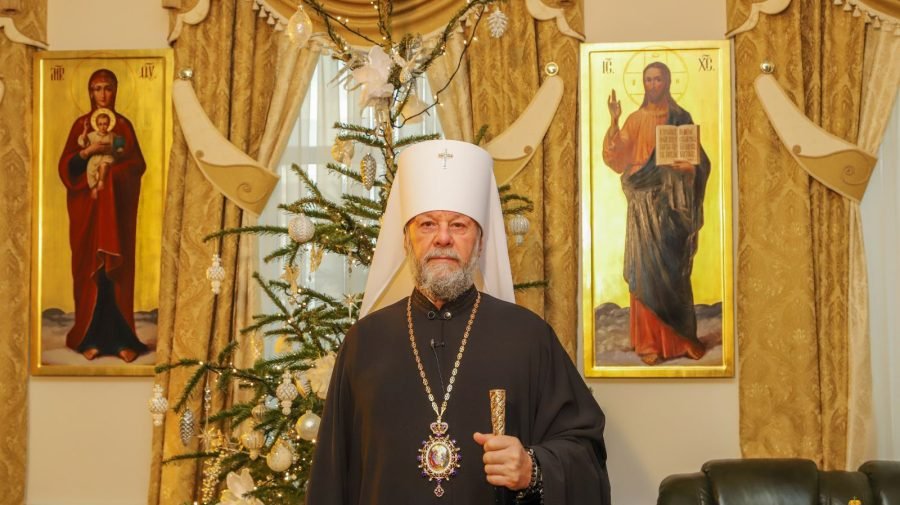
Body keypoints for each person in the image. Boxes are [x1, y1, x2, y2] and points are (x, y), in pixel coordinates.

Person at [306, 140, 611, 504]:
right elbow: (330, 479)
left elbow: (587, 455)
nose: (443, 238)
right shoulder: (365, 343)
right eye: (427, 224)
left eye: (459, 225)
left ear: (480, 242)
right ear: (406, 241)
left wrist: (533, 468)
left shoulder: (529, 338)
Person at [602, 61, 710, 365]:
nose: (653, 85)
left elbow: (700, 162)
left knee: (675, 271)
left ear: (668, 82)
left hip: (672, 204)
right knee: (645, 269)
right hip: (641, 202)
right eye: (648, 80)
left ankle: (682, 340)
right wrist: (614, 120)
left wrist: (690, 168)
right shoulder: (635, 119)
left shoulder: (681, 118)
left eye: (658, 79)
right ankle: (649, 343)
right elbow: (616, 157)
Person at [57, 68, 148, 363]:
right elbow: (66, 167)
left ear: (116, 90)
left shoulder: (122, 127)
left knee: (114, 272)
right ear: (90, 92)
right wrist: (88, 153)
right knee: (90, 270)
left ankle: (122, 341)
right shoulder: (82, 127)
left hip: (115, 210)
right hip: (88, 209)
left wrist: (111, 173)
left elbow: (135, 164)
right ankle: (89, 339)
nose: (102, 94)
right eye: (97, 88)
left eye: (107, 88)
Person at [77, 110, 121, 199]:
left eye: (105, 124)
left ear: (109, 124)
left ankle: (101, 181)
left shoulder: (112, 135)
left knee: (104, 165)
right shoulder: (93, 135)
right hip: (95, 158)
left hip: (107, 156)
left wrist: (119, 148)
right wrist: (85, 129)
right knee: (90, 170)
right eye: (100, 124)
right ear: (97, 125)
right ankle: (93, 188)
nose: (103, 126)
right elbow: (82, 142)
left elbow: (119, 142)